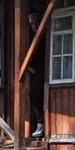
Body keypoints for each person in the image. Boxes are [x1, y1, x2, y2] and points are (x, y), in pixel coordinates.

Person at [27, 10, 46, 139]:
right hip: (35, 70)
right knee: (33, 94)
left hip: (47, 69)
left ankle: (42, 124)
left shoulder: (46, 35)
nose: (34, 26)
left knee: (38, 94)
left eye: (35, 23)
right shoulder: (30, 37)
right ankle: (40, 123)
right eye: (32, 24)